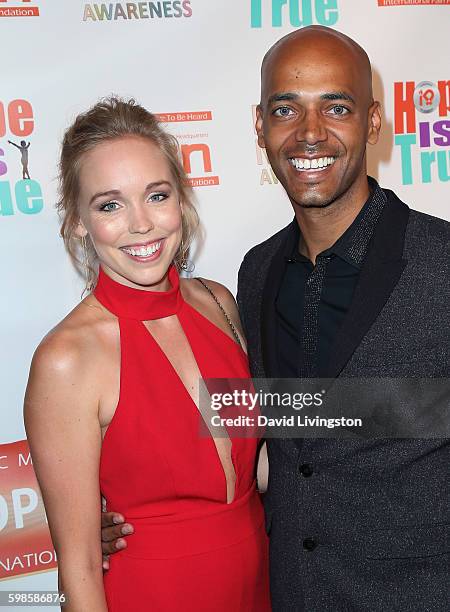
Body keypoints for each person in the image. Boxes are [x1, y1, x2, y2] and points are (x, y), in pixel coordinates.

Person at [101, 27, 449, 611]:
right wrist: (120, 515)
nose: (309, 133)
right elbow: (267, 442)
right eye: (286, 109)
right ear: (260, 128)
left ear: (373, 122)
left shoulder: (441, 261)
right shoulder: (256, 272)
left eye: (335, 107)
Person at [24, 97, 270, 611]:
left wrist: (399, 415)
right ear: (76, 222)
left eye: (156, 195)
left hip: (261, 585)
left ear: (180, 200)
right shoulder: (68, 359)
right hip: (155, 594)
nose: (141, 223)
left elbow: (262, 466)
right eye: (110, 204)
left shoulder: (219, 303)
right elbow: (81, 569)